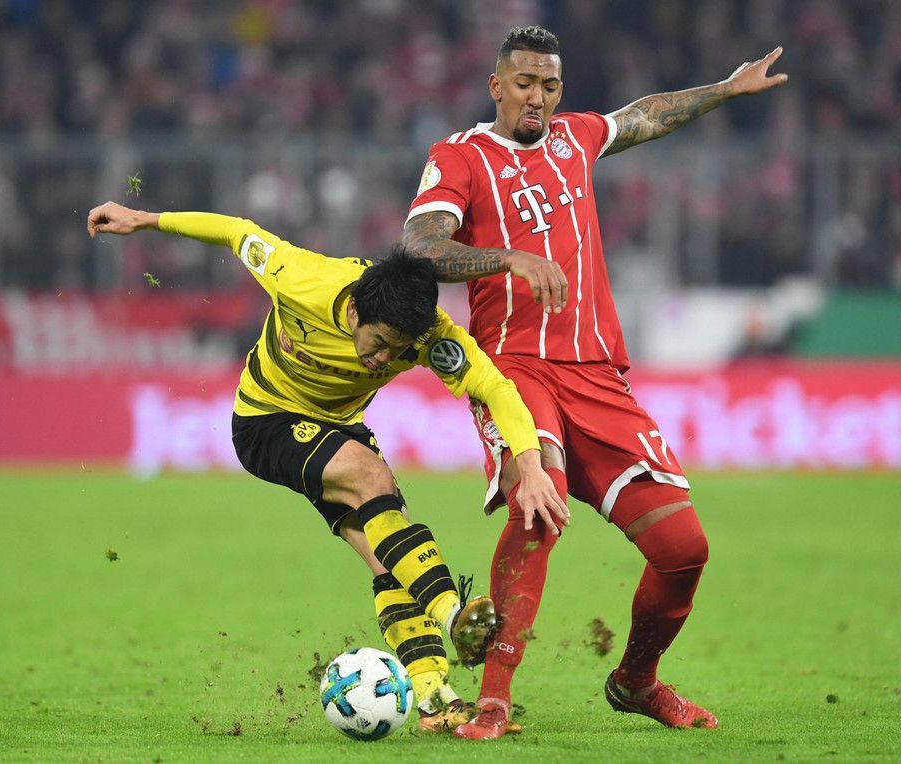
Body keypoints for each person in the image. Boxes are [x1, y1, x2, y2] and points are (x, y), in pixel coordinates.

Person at [402, 25, 787, 738]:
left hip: (597, 374)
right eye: (524, 83)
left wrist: (726, 90)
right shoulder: (460, 156)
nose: (537, 97)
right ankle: (493, 699)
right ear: (496, 86)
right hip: (514, 368)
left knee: (683, 551)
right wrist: (506, 258)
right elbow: (419, 247)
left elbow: (645, 115)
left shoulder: (576, 139)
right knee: (536, 505)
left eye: (549, 86)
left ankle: (636, 681)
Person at [86, 200, 568, 733]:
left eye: (397, 352)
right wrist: (143, 220)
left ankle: (435, 699)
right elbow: (235, 231)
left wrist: (531, 465)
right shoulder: (301, 277)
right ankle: (454, 617)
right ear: (357, 313)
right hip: (266, 420)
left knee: (391, 557)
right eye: (379, 343)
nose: (383, 359)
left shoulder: (431, 334)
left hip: (337, 428)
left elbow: (495, 387)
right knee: (372, 478)